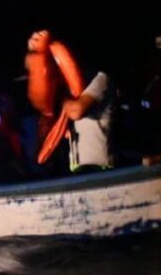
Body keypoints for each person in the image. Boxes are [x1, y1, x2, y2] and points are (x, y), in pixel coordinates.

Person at [26, 30, 114, 173]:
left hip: (101, 169)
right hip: (79, 170)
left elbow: (76, 111)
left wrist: (62, 101)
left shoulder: (100, 79)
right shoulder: (66, 89)